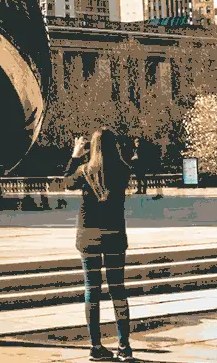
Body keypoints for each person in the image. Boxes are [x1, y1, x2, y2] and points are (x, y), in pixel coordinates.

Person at [64, 130, 134, 361]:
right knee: (118, 290)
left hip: (89, 237)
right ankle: (124, 346)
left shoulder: (83, 172)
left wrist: (76, 155)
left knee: (91, 291)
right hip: (113, 236)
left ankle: (96, 346)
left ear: (91, 147)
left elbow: (65, 182)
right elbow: (124, 164)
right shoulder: (122, 170)